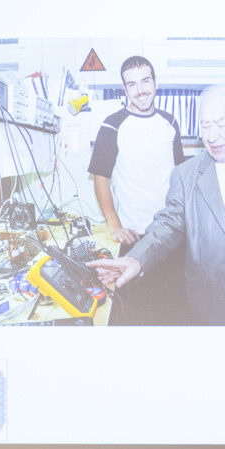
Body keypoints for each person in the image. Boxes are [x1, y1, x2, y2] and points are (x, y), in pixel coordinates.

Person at [89, 84, 225, 326]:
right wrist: (137, 259)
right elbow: (167, 226)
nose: (211, 136)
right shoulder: (187, 175)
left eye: (221, 124)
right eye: (205, 125)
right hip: (218, 297)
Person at [88, 55, 185, 324]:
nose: (140, 90)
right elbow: (101, 177)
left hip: (170, 236)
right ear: (125, 88)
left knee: (171, 311)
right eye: (132, 84)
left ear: (155, 83)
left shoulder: (170, 122)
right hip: (134, 240)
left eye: (145, 81)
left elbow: (181, 174)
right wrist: (115, 225)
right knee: (136, 315)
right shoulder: (112, 124)